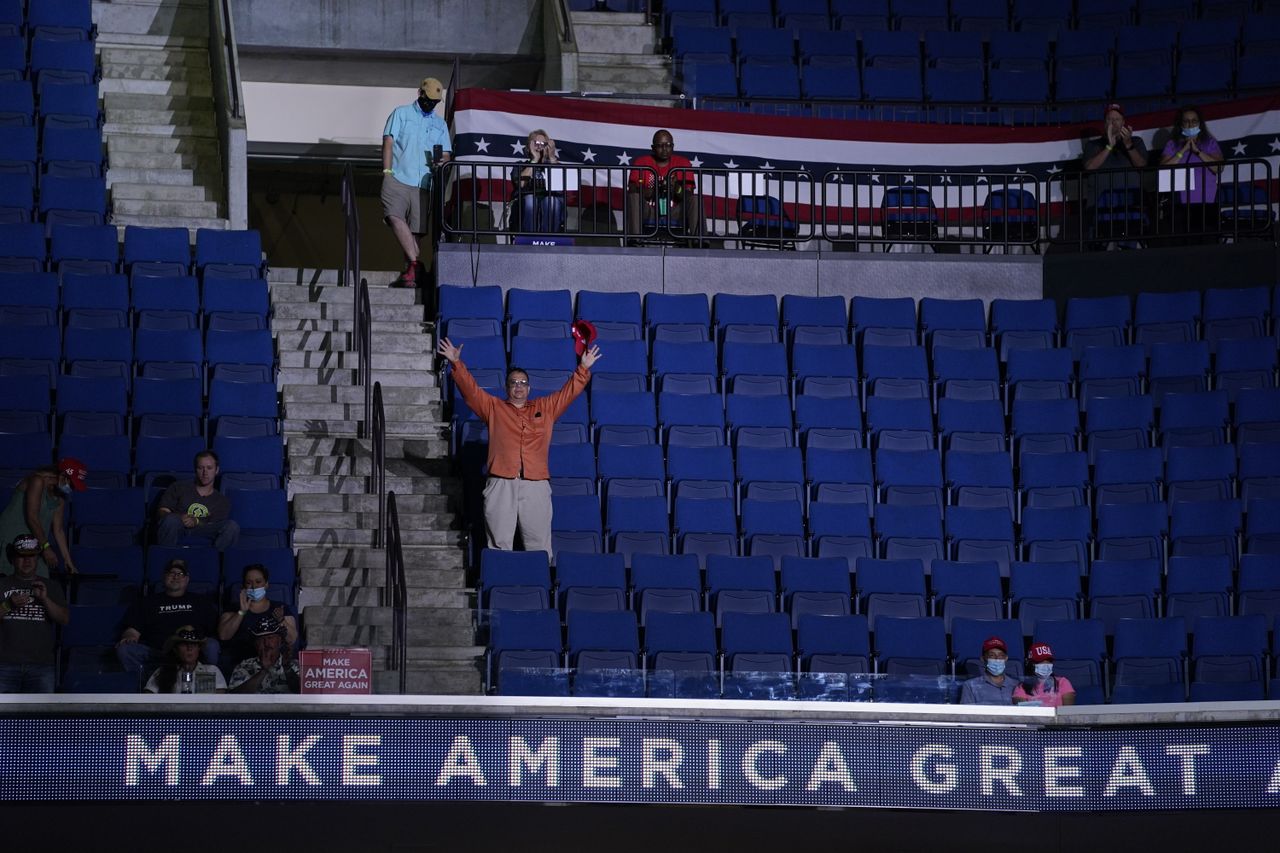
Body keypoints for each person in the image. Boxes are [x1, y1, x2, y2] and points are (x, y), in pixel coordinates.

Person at [436, 334, 601, 556]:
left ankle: (539, 587)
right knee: (499, 545)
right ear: (507, 388)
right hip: (501, 483)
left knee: (539, 546)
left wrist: (583, 367)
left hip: (536, 484)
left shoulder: (546, 407)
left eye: (523, 383)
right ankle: (499, 585)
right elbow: (471, 391)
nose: (518, 387)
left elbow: (568, 393)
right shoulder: (494, 408)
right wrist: (456, 363)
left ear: (530, 388)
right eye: (513, 383)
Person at [382, 75, 452, 288]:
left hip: (424, 182)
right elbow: (388, 140)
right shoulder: (401, 113)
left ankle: (411, 272)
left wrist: (442, 160)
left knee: (416, 231)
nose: (430, 104)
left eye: (435, 102)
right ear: (419, 93)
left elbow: (447, 153)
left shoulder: (439, 124)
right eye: (428, 99)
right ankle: (416, 264)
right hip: (398, 176)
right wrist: (386, 171)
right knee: (393, 216)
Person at [116, 557, 220, 676]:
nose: (175, 577)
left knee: (212, 645)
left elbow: (215, 631)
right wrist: (129, 636)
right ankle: (147, 685)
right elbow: (132, 631)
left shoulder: (200, 602)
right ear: (164, 577)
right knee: (125, 650)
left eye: (180, 573)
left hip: (191, 650)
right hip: (158, 651)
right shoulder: (147, 602)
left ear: (187, 579)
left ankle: (203, 683)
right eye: (172, 573)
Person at [0, 534, 69, 692]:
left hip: (41, 666)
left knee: (41, 715)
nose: (27, 560)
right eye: (22, 556)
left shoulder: (51, 586)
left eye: (32, 556)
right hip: (4, 665)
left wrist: (45, 600)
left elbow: (64, 619)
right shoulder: (1, 585)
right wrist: (8, 604)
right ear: (13, 558)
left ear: (38, 558)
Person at [0, 458, 85, 578]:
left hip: (35, 544)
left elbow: (58, 530)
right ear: (62, 475)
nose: (71, 488)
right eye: (71, 483)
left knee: (40, 585)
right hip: (12, 541)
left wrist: (68, 560)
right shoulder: (37, 481)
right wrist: (46, 548)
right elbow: (32, 517)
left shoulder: (60, 497)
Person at [1081, 102, 1150, 246]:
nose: (1113, 123)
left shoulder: (1136, 142)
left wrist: (1128, 144)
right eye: (1109, 120)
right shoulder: (1093, 145)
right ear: (1105, 123)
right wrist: (1109, 146)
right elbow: (1089, 167)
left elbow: (1141, 164)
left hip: (1129, 207)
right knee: (1097, 251)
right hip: (1099, 209)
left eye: (1117, 119)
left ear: (1124, 122)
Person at [216, 562, 299, 670]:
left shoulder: (280, 608)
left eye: (258, 582)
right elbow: (223, 635)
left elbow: (292, 639)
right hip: (242, 663)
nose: (254, 586)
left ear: (266, 584)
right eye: (249, 583)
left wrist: (281, 620)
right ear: (244, 586)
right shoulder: (234, 609)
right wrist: (241, 612)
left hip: (273, 661)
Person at [626, 129, 702, 245]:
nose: (665, 149)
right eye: (660, 146)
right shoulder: (642, 162)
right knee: (633, 197)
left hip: (675, 211)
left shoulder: (683, 163)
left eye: (668, 145)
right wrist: (653, 189)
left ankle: (699, 242)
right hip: (650, 210)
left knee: (695, 199)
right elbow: (632, 189)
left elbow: (688, 194)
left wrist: (676, 187)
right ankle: (635, 240)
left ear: (673, 146)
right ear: (652, 148)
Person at [1158, 105, 1224, 238]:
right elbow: (1163, 169)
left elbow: (1219, 167)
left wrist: (1198, 152)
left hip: (1206, 202)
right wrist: (1183, 150)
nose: (1190, 124)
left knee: (1205, 240)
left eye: (1194, 121)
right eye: (1186, 121)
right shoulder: (1172, 144)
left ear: (1200, 124)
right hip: (1178, 205)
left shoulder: (1209, 143)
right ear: (1181, 125)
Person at [155, 450, 240, 551]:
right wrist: (180, 517)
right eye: (201, 468)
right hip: (178, 526)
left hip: (203, 530)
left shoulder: (222, 501)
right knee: (170, 520)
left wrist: (196, 521)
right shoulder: (178, 487)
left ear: (216, 470)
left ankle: (214, 562)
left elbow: (213, 524)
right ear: (195, 470)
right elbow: (162, 511)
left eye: (209, 468)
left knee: (232, 526)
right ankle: (166, 561)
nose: (205, 473)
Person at [508, 128, 565, 234]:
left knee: (551, 201)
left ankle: (549, 240)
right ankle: (529, 238)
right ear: (529, 147)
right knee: (530, 200)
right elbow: (521, 184)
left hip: (550, 200)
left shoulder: (554, 164)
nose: (539, 146)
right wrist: (534, 160)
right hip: (526, 201)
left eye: (543, 143)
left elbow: (561, 184)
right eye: (536, 143)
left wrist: (552, 157)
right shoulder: (520, 165)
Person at [143, 625, 227, 694]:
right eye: (184, 644)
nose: (189, 648)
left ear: (199, 649)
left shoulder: (211, 670)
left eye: (193, 645)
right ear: (175, 649)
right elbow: (148, 695)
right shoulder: (162, 671)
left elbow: (220, 700)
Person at [228, 616, 300, 695]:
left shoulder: (294, 665)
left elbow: (302, 692)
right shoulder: (244, 666)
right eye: (261, 639)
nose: (266, 644)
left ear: (279, 641)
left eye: (270, 638)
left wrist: (287, 668)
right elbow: (234, 697)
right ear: (256, 644)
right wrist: (264, 670)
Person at [959, 635, 1020, 706]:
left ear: (1006, 658)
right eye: (992, 655)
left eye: (1001, 656)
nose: (997, 659)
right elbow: (966, 715)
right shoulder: (971, 686)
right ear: (983, 659)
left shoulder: (1017, 685)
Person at [1013, 641, 1076, 708]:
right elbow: (1023, 712)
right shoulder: (1022, 687)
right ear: (1031, 664)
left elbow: (1067, 712)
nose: (1046, 665)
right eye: (1040, 661)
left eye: (1048, 661)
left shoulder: (1063, 682)